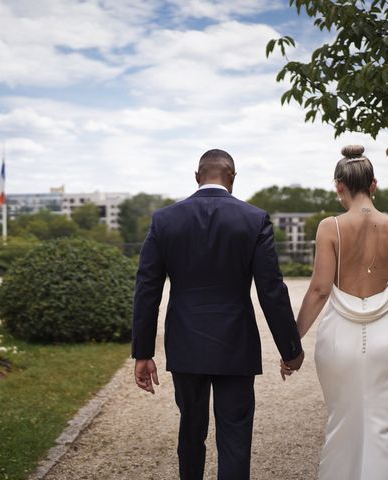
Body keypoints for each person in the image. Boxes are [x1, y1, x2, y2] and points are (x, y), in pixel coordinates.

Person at [131, 149, 304, 480]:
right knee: (235, 436)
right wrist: (290, 350)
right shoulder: (254, 219)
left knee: (191, 430)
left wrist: (143, 352)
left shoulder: (164, 220)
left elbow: (147, 290)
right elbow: (272, 290)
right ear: (233, 178)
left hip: (185, 343)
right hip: (236, 343)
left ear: (197, 177)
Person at [283, 145, 388, 480]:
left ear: (338, 186)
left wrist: (292, 342)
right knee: (385, 429)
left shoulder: (330, 227)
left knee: (341, 424)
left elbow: (319, 290)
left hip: (339, 342)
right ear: (374, 184)